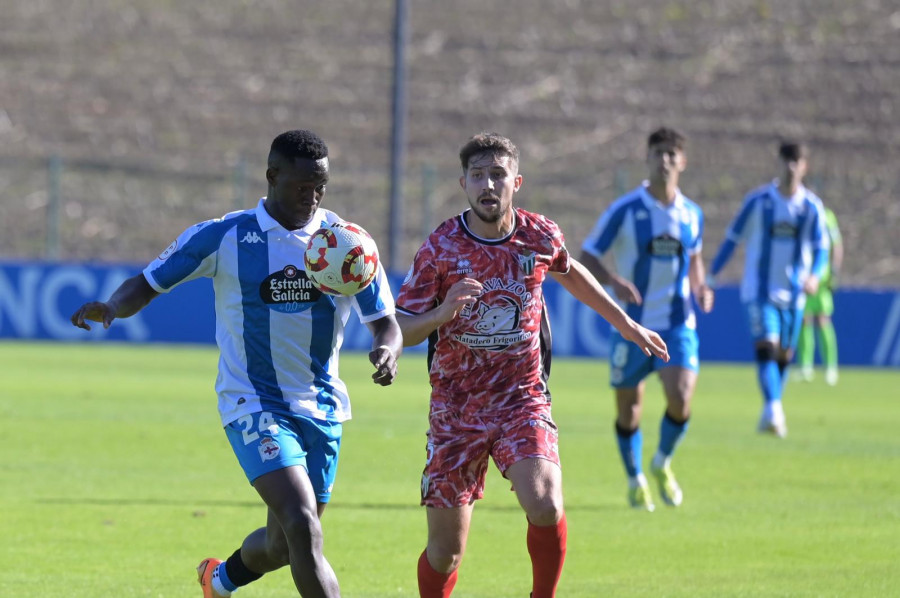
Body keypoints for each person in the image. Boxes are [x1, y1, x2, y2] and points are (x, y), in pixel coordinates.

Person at [70, 129, 402, 598]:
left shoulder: (345, 244)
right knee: (302, 524)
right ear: (272, 176)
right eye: (302, 185)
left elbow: (385, 320)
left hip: (322, 407)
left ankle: (219, 579)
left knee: (282, 545)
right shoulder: (225, 235)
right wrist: (111, 306)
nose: (313, 196)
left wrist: (387, 348)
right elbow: (147, 282)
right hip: (253, 402)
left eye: (321, 186)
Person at [394, 132, 669, 598]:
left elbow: (570, 270)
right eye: (478, 175)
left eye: (497, 175)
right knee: (445, 553)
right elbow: (399, 329)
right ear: (463, 183)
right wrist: (442, 314)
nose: (488, 184)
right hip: (455, 411)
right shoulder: (440, 248)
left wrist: (626, 324)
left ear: (515, 182)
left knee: (545, 504)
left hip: (522, 400)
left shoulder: (538, 234)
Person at [579, 127, 714, 512]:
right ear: (648, 158)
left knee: (682, 398)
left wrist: (701, 288)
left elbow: (696, 260)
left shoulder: (693, 215)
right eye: (658, 153)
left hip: (677, 323)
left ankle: (662, 462)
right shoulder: (625, 210)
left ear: (682, 162)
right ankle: (635, 477)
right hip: (631, 326)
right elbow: (587, 256)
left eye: (672, 154)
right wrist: (613, 281)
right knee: (629, 410)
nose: (665, 160)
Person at [708, 140, 829, 438]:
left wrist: (815, 276)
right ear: (778, 164)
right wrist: (710, 276)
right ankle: (774, 409)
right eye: (785, 160)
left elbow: (822, 250)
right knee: (766, 348)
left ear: (804, 167)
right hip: (759, 292)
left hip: (795, 294)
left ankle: (771, 410)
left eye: (796, 161)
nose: (790, 167)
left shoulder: (811, 207)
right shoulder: (758, 201)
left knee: (784, 357)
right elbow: (732, 240)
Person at [797, 206, 843, 385]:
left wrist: (834, 271)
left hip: (821, 278)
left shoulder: (827, 216)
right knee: (804, 320)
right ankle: (805, 367)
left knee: (823, 319)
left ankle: (831, 367)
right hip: (803, 277)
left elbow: (836, 245)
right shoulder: (800, 212)